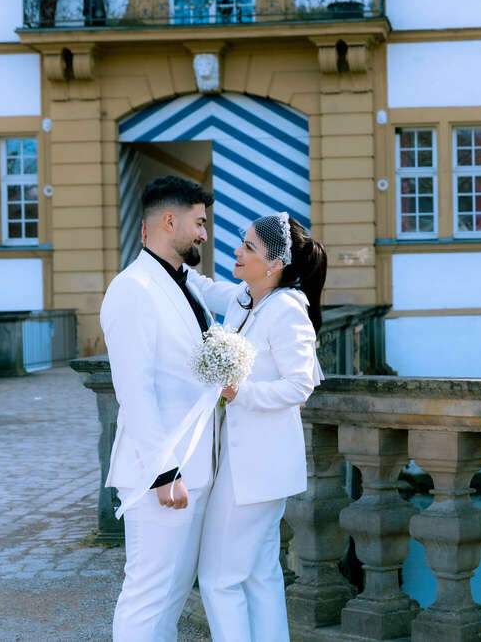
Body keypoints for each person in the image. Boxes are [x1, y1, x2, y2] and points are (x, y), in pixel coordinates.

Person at [185, 212, 327, 642]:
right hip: (242, 459)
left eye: (249, 247)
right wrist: (165, 257)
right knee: (260, 574)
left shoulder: (286, 311)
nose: (236, 250)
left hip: (259, 466)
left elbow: (301, 386)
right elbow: (204, 287)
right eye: (242, 242)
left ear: (274, 264)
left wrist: (237, 392)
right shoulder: (246, 299)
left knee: (217, 577)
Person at [99, 175, 217, 641]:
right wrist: (164, 472)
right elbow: (136, 390)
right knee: (148, 593)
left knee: (170, 596)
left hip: (193, 465)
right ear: (170, 221)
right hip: (160, 475)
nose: (204, 234)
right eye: (199, 222)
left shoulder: (182, 282)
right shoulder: (133, 289)